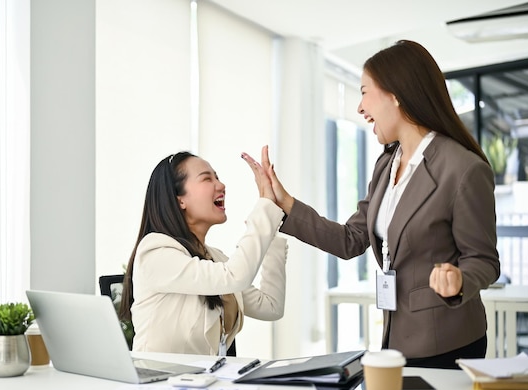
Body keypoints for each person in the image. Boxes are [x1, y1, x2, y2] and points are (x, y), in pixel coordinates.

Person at [243, 40, 500, 369]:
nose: (360, 107)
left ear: (395, 94)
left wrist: (460, 279)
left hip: (448, 342)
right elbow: (351, 239)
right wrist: (285, 203)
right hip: (395, 336)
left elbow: (484, 260)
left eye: (365, 92)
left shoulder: (462, 168)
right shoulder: (387, 164)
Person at [119, 151, 287, 356]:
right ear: (179, 199)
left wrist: (270, 233)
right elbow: (236, 276)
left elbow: (270, 307)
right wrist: (264, 211)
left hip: (205, 383)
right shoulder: (155, 252)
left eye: (217, 177)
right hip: (159, 382)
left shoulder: (214, 258)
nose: (221, 185)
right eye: (207, 178)